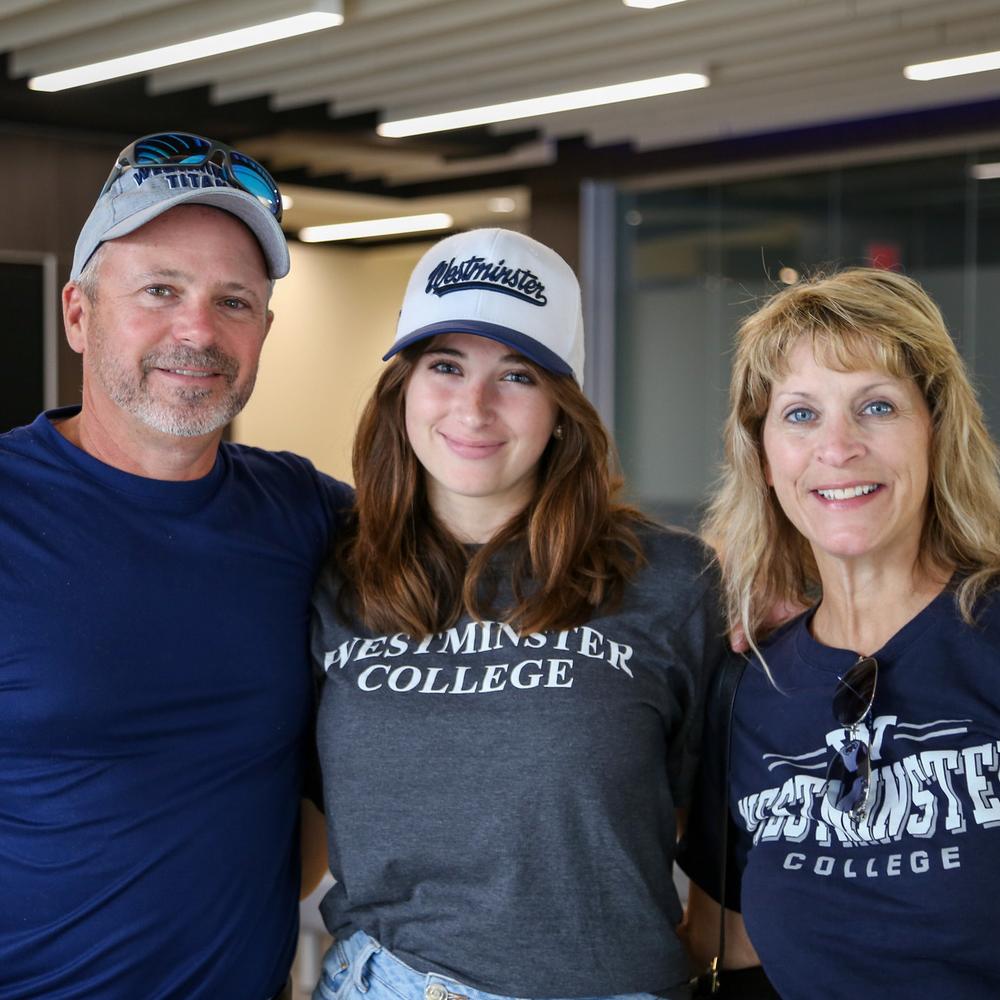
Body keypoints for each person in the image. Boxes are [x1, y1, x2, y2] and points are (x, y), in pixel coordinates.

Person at [308, 228, 727, 1000]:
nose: (474, 406)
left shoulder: (671, 580)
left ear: (561, 406)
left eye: (518, 374)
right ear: (402, 388)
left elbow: (721, 821)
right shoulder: (336, 575)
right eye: (445, 366)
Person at [1, 132, 350, 999]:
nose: (198, 330)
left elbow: (495, 551)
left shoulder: (307, 514)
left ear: (263, 332)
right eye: (160, 291)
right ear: (78, 312)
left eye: (234, 302)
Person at [678, 268, 1000, 998]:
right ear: (762, 457)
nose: (838, 446)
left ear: (937, 431)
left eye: (877, 406)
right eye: (800, 415)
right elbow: (720, 940)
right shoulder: (745, 688)